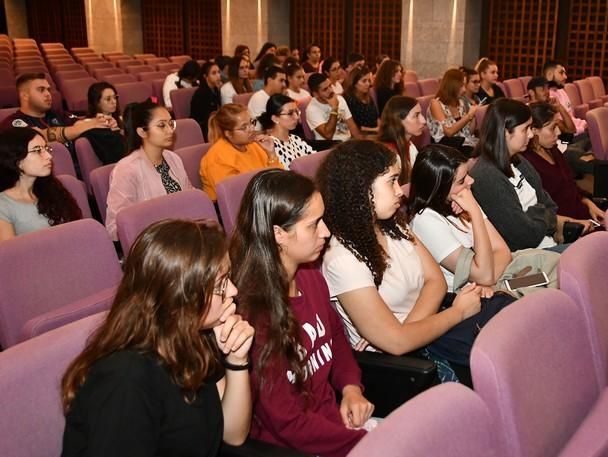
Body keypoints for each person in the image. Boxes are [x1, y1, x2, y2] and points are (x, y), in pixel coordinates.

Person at [319, 140, 511, 384]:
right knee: (504, 361)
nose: (400, 191)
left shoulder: (393, 225)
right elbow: (398, 344)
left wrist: (408, 329)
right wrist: (458, 312)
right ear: (360, 188)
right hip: (404, 370)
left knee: (513, 333)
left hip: (429, 336)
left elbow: (436, 281)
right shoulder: (342, 259)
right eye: (391, 181)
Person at [61, 219, 255, 456]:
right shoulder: (124, 380)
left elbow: (232, 434)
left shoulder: (192, 338)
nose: (233, 291)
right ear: (180, 296)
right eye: (221, 285)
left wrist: (236, 359)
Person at [230, 169, 374, 457]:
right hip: (297, 448)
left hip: (335, 429)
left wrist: (350, 389)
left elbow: (335, 338)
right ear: (279, 234)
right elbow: (289, 424)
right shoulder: (253, 316)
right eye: (314, 225)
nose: (326, 232)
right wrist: (365, 443)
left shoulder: (310, 276)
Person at [408, 144, 559, 295]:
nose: (471, 181)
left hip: (502, 282)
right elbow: (483, 275)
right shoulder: (426, 220)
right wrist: (475, 212)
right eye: (461, 181)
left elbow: (502, 251)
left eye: (467, 174)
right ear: (439, 189)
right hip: (477, 297)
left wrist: (489, 279)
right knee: (549, 290)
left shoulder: (463, 199)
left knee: (557, 274)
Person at [469, 98, 576, 252]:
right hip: (527, 258)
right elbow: (524, 236)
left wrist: (531, 215)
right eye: (526, 129)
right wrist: (542, 214)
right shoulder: (487, 176)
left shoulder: (519, 161)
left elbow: (551, 206)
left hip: (547, 245)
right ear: (506, 132)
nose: (532, 135)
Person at [105, 101, 193, 240]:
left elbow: (190, 198)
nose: (170, 130)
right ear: (142, 132)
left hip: (183, 234)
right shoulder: (127, 170)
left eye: (171, 124)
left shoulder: (173, 158)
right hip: (154, 244)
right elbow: (115, 227)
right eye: (161, 125)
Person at [523, 101, 605, 222]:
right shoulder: (527, 162)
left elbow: (571, 186)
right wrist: (575, 223)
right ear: (534, 130)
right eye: (552, 128)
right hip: (568, 226)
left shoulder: (553, 149)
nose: (559, 132)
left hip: (582, 213)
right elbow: (542, 210)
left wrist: (588, 203)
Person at [0, 127, 81, 240]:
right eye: (37, 150)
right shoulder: (3, 205)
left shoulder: (52, 189)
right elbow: (9, 255)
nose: (49, 156)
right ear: (16, 159)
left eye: (46, 149)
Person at [0, 73, 115, 149]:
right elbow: (40, 136)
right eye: (41, 90)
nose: (48, 94)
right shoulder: (12, 123)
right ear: (25, 96)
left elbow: (79, 123)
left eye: (48, 90)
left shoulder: (57, 114)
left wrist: (103, 122)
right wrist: (91, 124)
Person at [199, 104, 282, 201]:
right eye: (244, 127)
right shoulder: (217, 158)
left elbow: (277, 178)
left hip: (266, 198)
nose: (251, 129)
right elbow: (234, 198)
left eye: (251, 123)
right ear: (228, 134)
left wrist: (271, 154)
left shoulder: (253, 144)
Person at [542, 61, 595, 175]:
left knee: (597, 135)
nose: (565, 77)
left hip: (575, 135)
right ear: (550, 75)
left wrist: (585, 124)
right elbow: (567, 129)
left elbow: (572, 118)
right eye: (561, 73)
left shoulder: (561, 91)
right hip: (566, 140)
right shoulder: (549, 99)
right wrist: (583, 127)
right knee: (589, 147)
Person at [378, 95, 426, 185]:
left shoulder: (410, 146)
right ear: (398, 120)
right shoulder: (388, 154)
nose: (423, 120)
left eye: (421, 114)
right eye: (416, 115)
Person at [427, 69, 478, 151]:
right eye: (461, 86)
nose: (464, 90)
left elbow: (468, 133)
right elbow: (449, 132)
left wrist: (474, 115)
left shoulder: (460, 102)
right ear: (452, 86)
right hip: (444, 147)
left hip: (459, 144)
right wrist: (468, 116)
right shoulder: (436, 103)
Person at [260, 94, 314, 167]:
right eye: (290, 113)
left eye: (297, 112)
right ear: (275, 119)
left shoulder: (295, 139)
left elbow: (314, 159)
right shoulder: (269, 145)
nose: (296, 117)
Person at [306, 73, 361, 142]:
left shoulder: (340, 99)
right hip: (330, 147)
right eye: (325, 89)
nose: (331, 90)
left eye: (330, 86)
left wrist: (360, 143)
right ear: (315, 94)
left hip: (347, 143)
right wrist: (334, 108)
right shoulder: (312, 109)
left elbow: (352, 125)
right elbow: (328, 135)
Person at [84, 82, 126, 164]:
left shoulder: (118, 119)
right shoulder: (92, 127)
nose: (114, 102)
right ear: (97, 103)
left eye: (115, 97)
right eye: (108, 99)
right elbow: (116, 155)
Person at [343, 66, 379, 138]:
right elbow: (355, 127)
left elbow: (376, 117)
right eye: (364, 81)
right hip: (360, 135)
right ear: (354, 83)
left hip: (374, 133)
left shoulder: (368, 97)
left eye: (369, 80)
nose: (368, 84)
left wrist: (381, 128)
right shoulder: (349, 100)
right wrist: (375, 130)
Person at [190, 62, 222, 141]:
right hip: (203, 127)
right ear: (205, 76)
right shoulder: (201, 93)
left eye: (218, 72)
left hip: (214, 124)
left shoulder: (215, 89)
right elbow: (204, 117)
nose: (218, 76)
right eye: (214, 73)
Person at [247, 65, 286, 130]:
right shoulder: (258, 98)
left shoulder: (276, 97)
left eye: (284, 81)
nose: (284, 84)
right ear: (270, 80)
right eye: (281, 80)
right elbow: (261, 126)